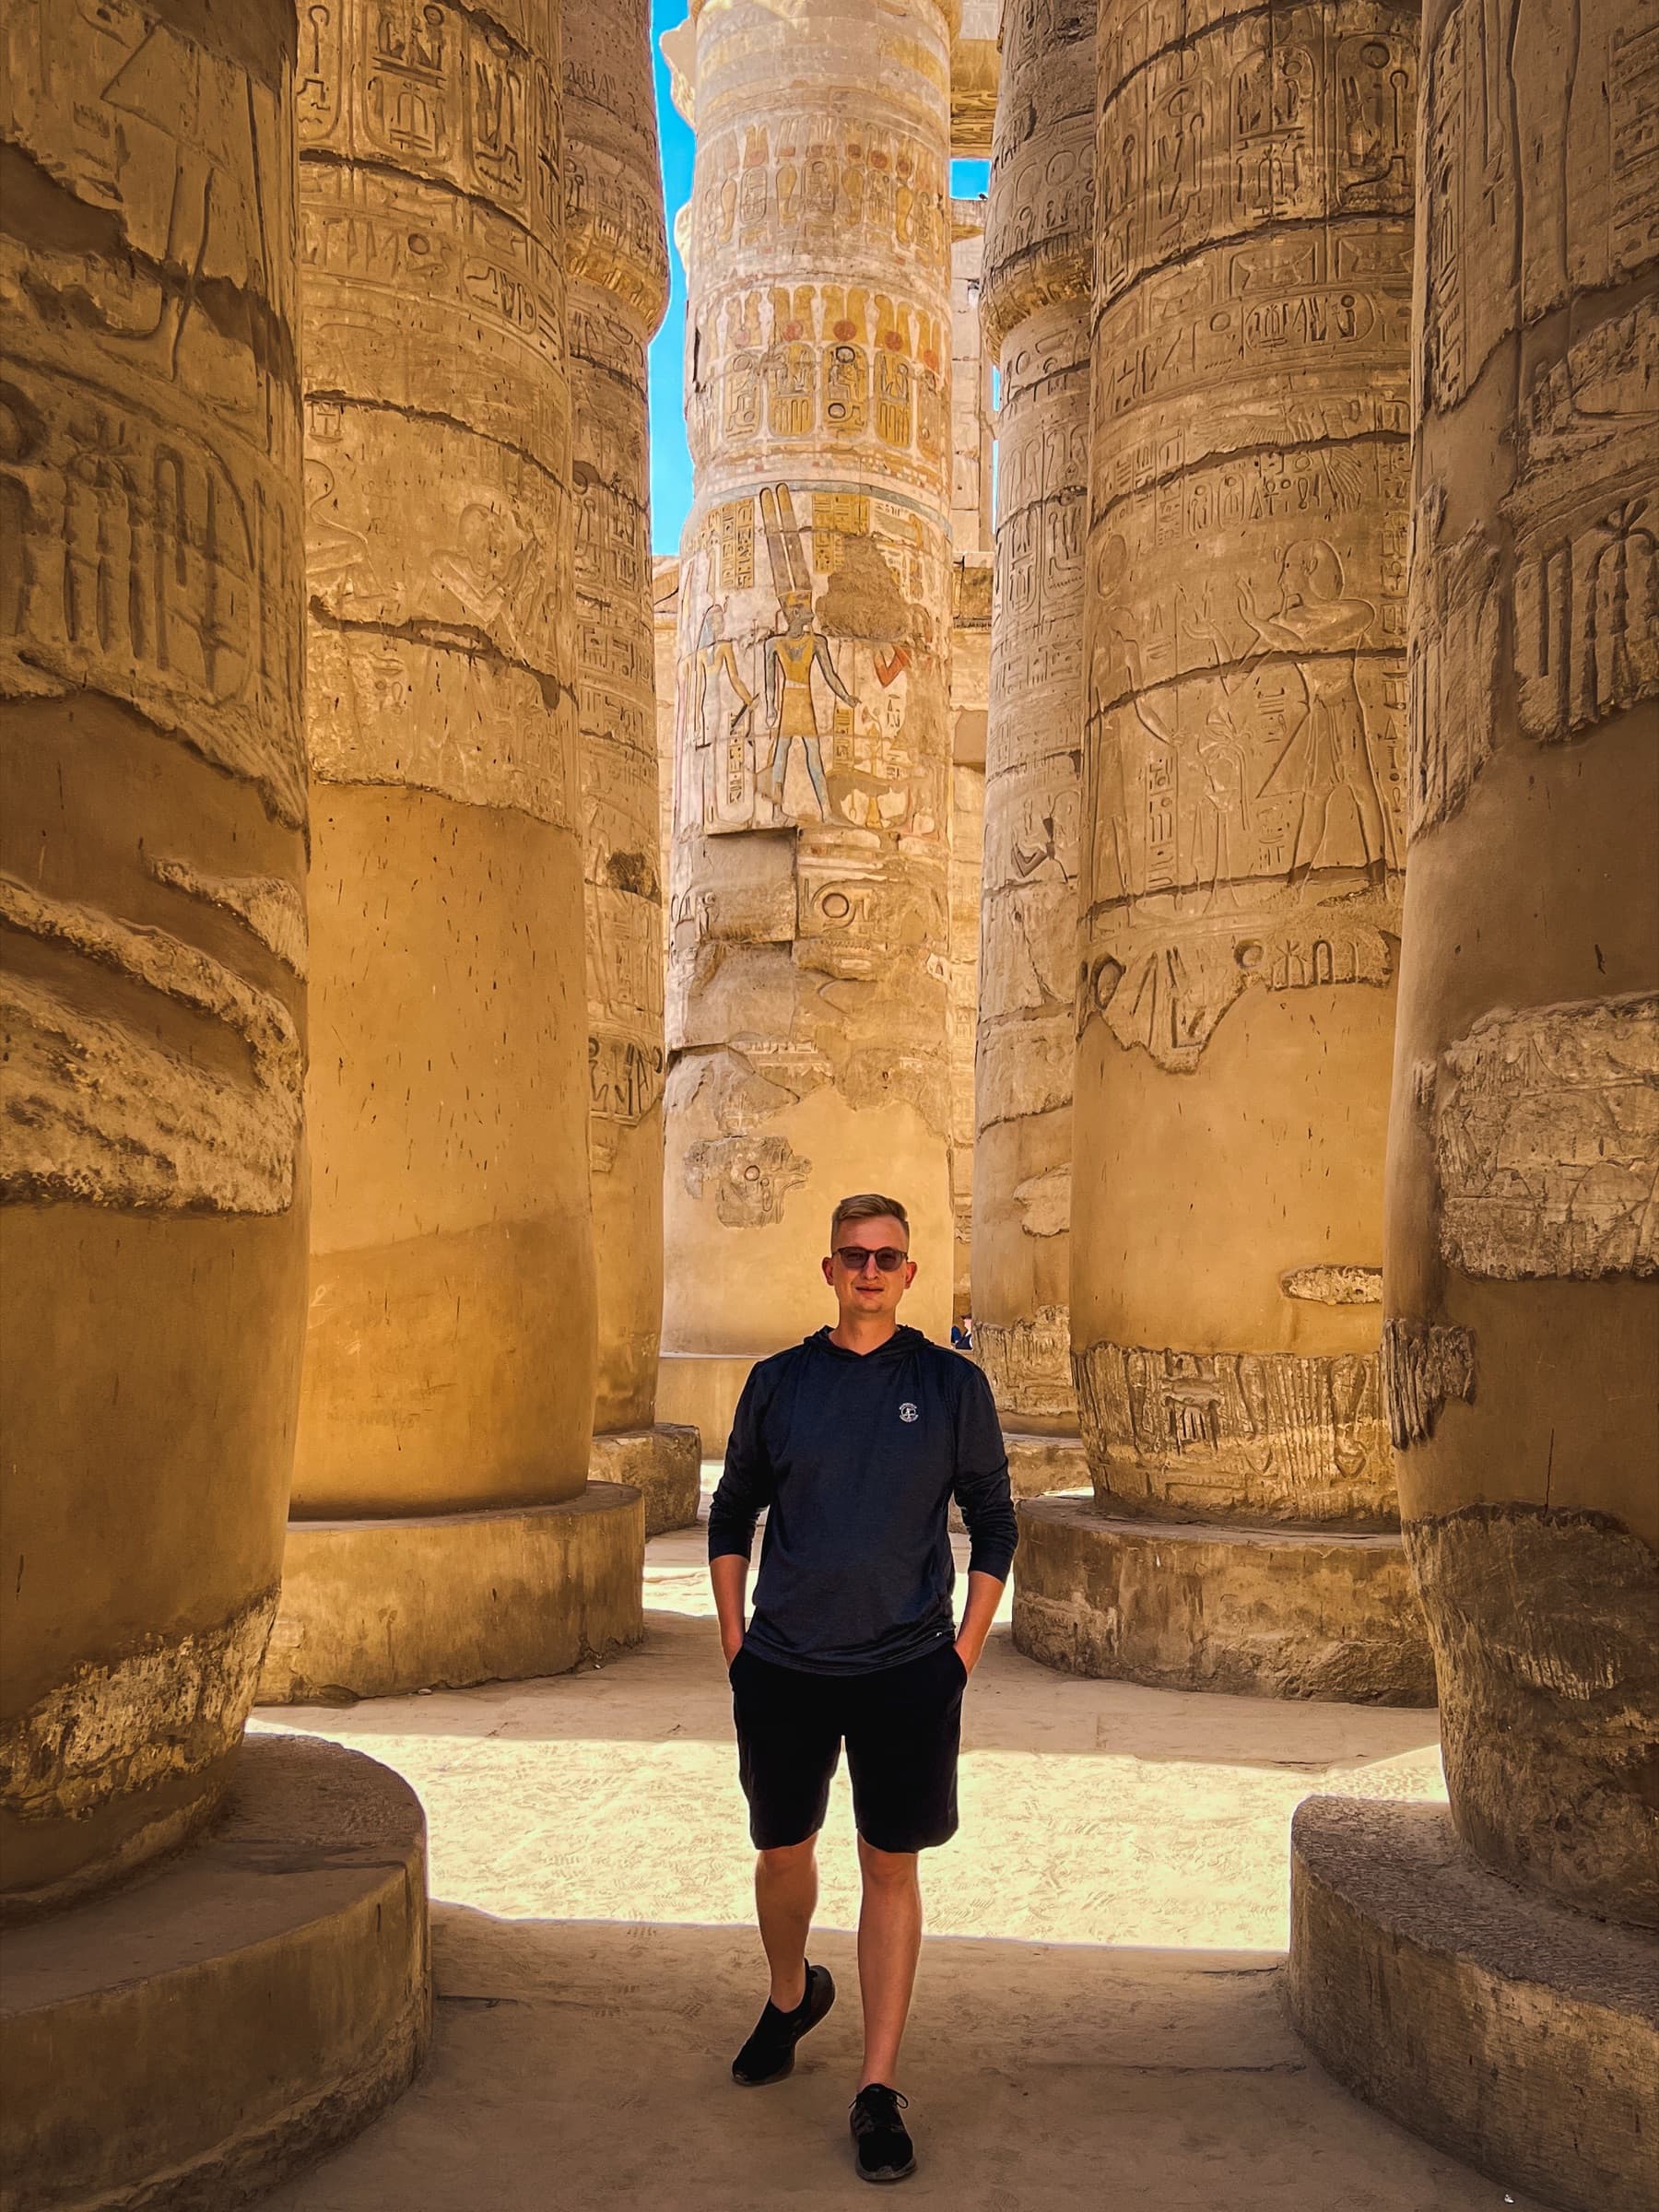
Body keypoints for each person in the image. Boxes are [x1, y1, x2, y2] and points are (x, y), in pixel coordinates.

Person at [707, 1194, 1017, 2185]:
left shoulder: (950, 1385)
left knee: (890, 1866)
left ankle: (877, 2087)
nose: (870, 1271)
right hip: (785, 1664)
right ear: (830, 1270)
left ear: (910, 1273)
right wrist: (735, 1641)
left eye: (886, 1257)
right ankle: (791, 1993)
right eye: (853, 1256)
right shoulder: (780, 1383)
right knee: (782, 1850)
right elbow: (731, 1511)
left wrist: (962, 1654)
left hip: (907, 1670)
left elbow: (994, 1521)